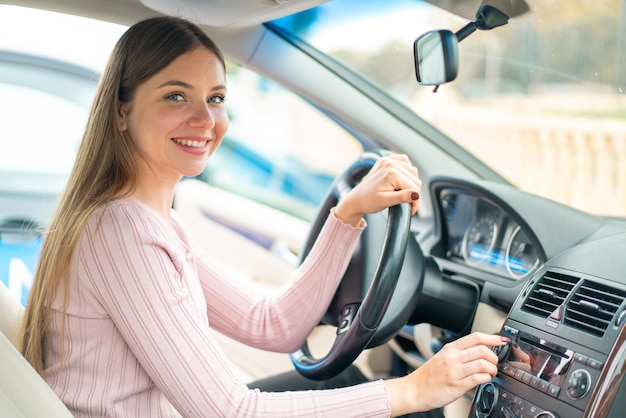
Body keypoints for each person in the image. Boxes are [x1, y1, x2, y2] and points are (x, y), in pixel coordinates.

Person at [18, 16, 507, 417]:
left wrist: (348, 214)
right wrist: (412, 391)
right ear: (121, 111)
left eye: (215, 98)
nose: (205, 121)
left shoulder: (150, 221)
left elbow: (272, 325)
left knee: (350, 378)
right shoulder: (124, 233)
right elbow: (230, 413)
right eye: (175, 95)